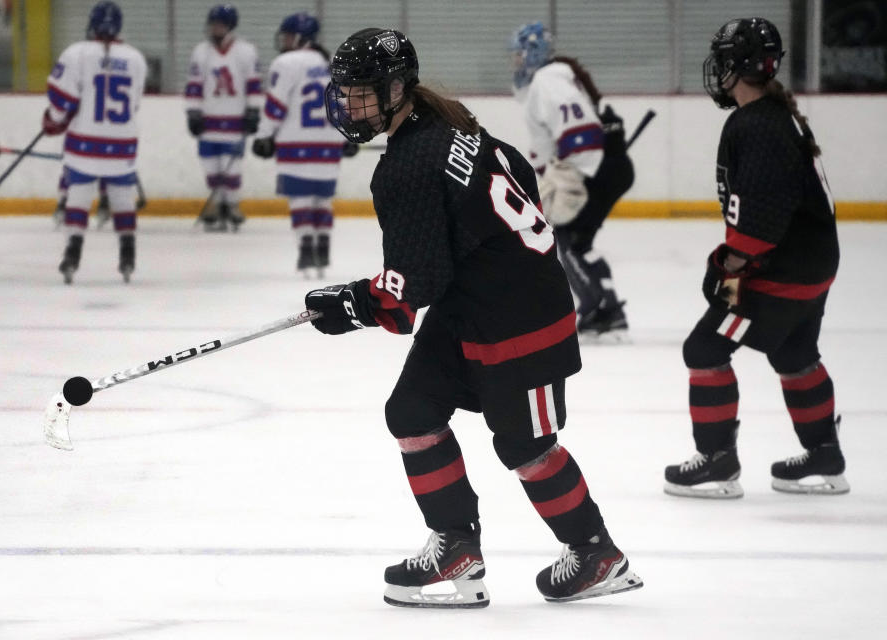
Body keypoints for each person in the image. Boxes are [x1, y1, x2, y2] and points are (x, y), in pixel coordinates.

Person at [305, 28, 642, 608]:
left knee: (525, 445)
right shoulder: (452, 127)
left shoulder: (407, 165)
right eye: (346, 92)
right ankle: (456, 548)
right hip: (474, 304)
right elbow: (519, 175)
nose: (349, 104)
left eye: (360, 93)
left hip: (520, 315)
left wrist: (354, 302)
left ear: (394, 90)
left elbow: (414, 282)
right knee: (411, 410)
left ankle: (595, 552)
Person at [665, 18, 845, 498]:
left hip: (779, 273)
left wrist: (726, 268)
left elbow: (760, 225)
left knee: (704, 349)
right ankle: (825, 455)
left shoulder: (757, 125)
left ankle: (717, 462)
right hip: (812, 269)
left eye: (725, 59)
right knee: (795, 352)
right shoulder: (776, 115)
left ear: (736, 65)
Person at [509, 23, 634, 341]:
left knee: (567, 239)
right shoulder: (557, 77)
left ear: (533, 52)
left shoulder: (547, 80)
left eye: (519, 55)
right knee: (579, 242)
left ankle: (599, 311)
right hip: (607, 166)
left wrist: (571, 176)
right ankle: (607, 310)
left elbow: (581, 132)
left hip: (594, 168)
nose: (516, 62)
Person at [43, 1, 147, 284]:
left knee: (78, 196)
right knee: (123, 200)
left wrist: (54, 120)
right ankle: (128, 255)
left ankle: (72, 252)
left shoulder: (77, 53)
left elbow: (60, 101)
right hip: (123, 145)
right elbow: (134, 104)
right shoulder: (136, 58)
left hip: (84, 145)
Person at [252, 12, 357, 277]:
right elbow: (345, 104)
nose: (285, 41)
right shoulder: (334, 62)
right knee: (322, 200)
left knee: (300, 200)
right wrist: (348, 136)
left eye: (288, 36)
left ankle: (305, 247)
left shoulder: (286, 62)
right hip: (329, 144)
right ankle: (322, 247)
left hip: (294, 143)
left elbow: (276, 105)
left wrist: (264, 135)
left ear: (299, 37)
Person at [185, 4, 262, 232]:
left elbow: (253, 85)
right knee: (211, 168)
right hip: (209, 119)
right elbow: (194, 85)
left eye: (219, 24)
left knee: (232, 169)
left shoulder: (246, 51)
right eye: (212, 24)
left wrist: (253, 111)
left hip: (235, 119)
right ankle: (217, 205)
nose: (214, 28)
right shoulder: (201, 51)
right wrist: (193, 112)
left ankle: (232, 204)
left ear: (229, 26)